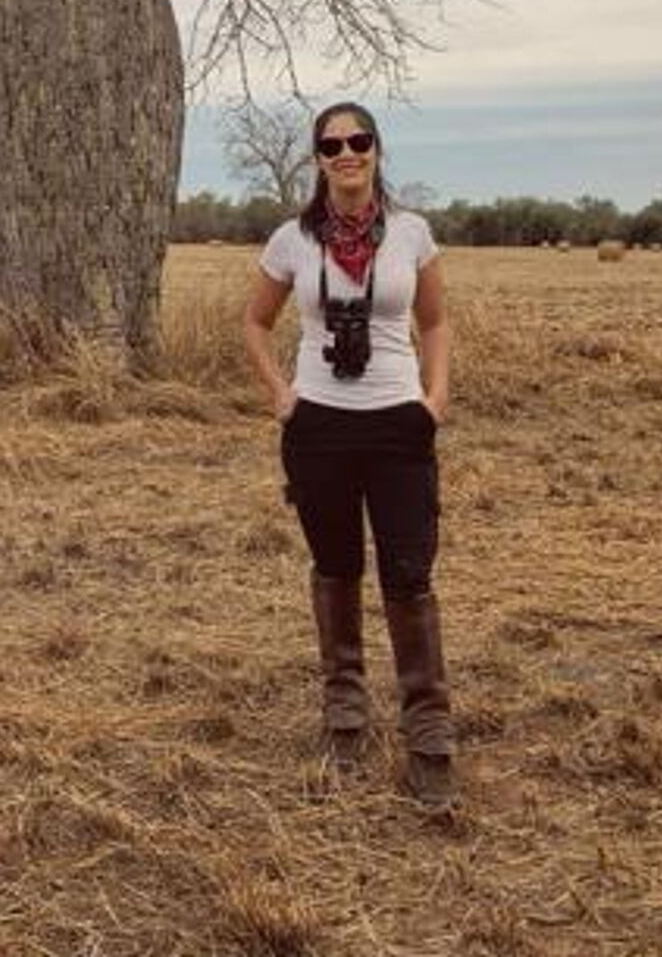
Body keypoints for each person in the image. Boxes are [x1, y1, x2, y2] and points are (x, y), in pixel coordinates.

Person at [242, 101, 455, 811]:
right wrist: (282, 391)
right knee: (335, 567)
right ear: (318, 159)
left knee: (407, 572)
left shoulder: (413, 234)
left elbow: (435, 319)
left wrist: (435, 396)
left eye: (358, 140)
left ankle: (428, 733)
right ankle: (345, 716)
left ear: (377, 150)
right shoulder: (292, 240)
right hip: (320, 426)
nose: (345, 153)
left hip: (398, 424)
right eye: (331, 144)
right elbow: (254, 320)